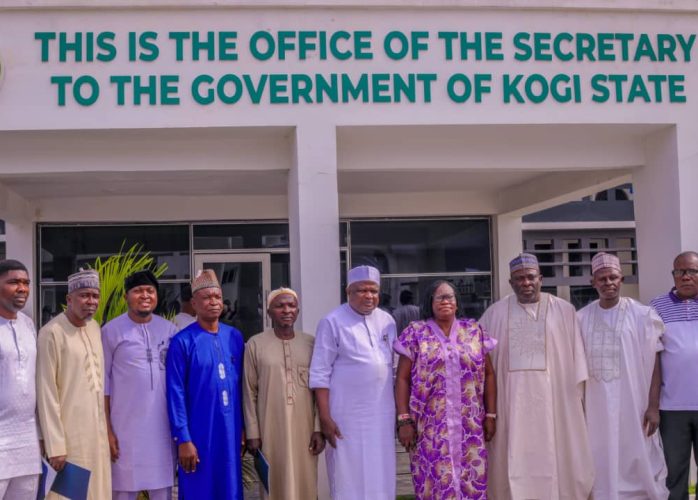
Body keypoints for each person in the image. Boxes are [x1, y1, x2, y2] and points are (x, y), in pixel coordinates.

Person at [479, 253, 594, 500]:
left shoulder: (564, 311)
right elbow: (480, 362)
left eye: (531, 277)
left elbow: (578, 362)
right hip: (511, 404)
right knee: (513, 457)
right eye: (519, 278)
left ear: (540, 278)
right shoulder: (494, 314)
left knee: (557, 455)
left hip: (555, 403)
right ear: (510, 283)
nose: (526, 283)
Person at [394, 280, 496, 499]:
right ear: (429, 302)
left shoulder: (474, 331)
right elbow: (402, 379)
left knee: (471, 481)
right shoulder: (416, 333)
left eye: (450, 296)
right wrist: (404, 420)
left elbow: (489, 374)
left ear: (457, 302)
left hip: (469, 425)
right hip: (429, 427)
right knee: (433, 482)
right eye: (439, 297)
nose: (445, 301)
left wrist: (490, 415)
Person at [579, 252, 668, 499]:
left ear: (622, 279)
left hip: (635, 401)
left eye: (613, 277)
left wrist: (653, 406)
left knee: (637, 453)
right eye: (602, 278)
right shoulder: (581, 318)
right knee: (599, 452)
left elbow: (655, 362)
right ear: (593, 282)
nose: (608, 283)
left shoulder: (643, 315)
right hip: (596, 405)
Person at [309, 265, 397, 500]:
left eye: (373, 291)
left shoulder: (387, 321)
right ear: (348, 292)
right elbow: (320, 373)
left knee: (381, 471)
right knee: (347, 473)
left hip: (382, 414)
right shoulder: (332, 321)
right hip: (345, 416)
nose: (369, 296)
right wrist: (325, 418)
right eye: (362, 290)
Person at [166, 269, 245, 500]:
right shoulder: (182, 341)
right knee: (199, 489)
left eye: (217, 297)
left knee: (230, 487)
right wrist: (183, 439)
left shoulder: (235, 337)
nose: (213, 302)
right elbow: (175, 393)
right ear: (194, 303)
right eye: (207, 297)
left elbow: (242, 387)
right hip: (198, 434)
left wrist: (243, 429)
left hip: (230, 431)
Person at [101, 270, 178, 500]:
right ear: (126, 297)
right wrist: (107, 431)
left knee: (162, 492)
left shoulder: (170, 330)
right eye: (138, 291)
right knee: (123, 490)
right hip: (125, 432)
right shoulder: (111, 331)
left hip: (162, 431)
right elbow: (103, 385)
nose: (145, 295)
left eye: (150, 291)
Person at [243, 287, 325, 500]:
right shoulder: (255, 344)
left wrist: (318, 429)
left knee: (306, 482)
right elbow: (249, 391)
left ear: (298, 311)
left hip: (305, 429)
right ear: (269, 312)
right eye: (280, 306)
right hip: (270, 429)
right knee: (273, 483)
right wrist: (253, 432)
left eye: (291, 305)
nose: (286, 310)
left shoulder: (311, 343)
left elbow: (319, 389)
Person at [36, 269, 111, 499]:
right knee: (70, 495)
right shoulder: (51, 333)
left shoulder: (95, 328)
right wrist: (55, 446)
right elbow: (46, 392)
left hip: (97, 434)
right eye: (84, 295)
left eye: (95, 296)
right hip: (69, 437)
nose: (91, 301)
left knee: (98, 491)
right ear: (69, 299)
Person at [650, 250, 698, 499]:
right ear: (673, 275)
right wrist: (653, 406)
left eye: (692, 271)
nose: (686, 276)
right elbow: (651, 358)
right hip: (672, 408)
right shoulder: (656, 307)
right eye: (680, 271)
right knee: (674, 473)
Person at [0, 260, 40, 499]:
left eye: (26, 282)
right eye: (14, 282)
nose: (22, 288)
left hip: (27, 440)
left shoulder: (28, 324)